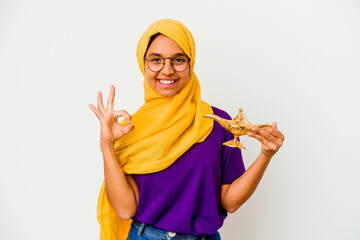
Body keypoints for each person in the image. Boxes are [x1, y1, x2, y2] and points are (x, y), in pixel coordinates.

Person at [89, 19, 285, 240]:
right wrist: (107, 145)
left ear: (191, 64)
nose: (167, 69)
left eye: (178, 60)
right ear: (142, 63)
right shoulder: (131, 129)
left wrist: (265, 155)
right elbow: (125, 210)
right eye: (156, 60)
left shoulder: (217, 122)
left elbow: (230, 202)